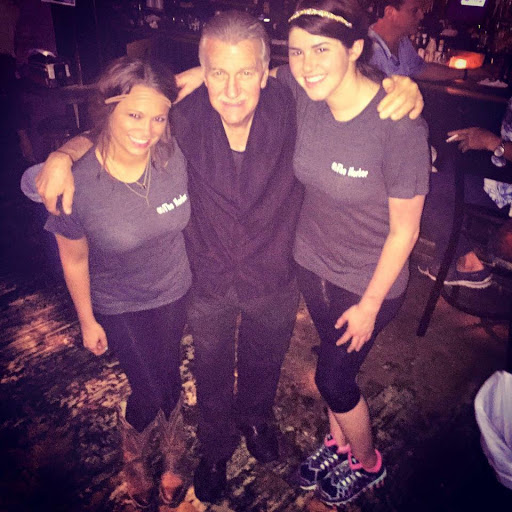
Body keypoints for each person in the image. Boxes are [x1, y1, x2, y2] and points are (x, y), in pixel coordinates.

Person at [30, 10, 423, 504]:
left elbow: (344, 80)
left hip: (275, 271)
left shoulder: (293, 101)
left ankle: (256, 421)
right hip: (206, 276)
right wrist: (64, 154)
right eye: (218, 72)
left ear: (265, 72)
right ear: (204, 70)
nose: (232, 90)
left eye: (244, 73)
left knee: (265, 358)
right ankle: (215, 449)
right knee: (211, 369)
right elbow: (123, 115)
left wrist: (397, 85)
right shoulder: (181, 117)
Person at [273, 0, 430, 505]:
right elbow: (235, 73)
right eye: (297, 51)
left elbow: (405, 231)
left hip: (369, 282)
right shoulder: (302, 92)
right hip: (312, 264)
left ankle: (368, 463)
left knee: (334, 378)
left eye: (321, 49)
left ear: (355, 49)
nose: (307, 64)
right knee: (336, 366)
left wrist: (369, 305)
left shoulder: (397, 123)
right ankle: (337, 444)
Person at [23, 56, 192, 508]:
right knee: (148, 388)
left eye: (158, 118)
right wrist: (86, 320)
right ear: (107, 110)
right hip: (119, 302)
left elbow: (204, 79)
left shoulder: (172, 153)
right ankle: (133, 452)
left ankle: (174, 450)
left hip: (174, 288)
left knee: (169, 372)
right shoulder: (76, 183)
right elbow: (74, 258)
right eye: (134, 114)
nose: (147, 129)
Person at [418, 97, 512, 286]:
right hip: (501, 173)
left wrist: (493, 142)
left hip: (506, 193)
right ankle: (451, 259)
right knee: (449, 160)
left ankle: (468, 262)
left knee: (419, 186)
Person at [369, 0, 483, 81]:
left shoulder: (402, 42)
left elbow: (421, 68)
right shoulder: (369, 50)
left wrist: (467, 73)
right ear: (390, 13)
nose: (421, 16)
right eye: (414, 11)